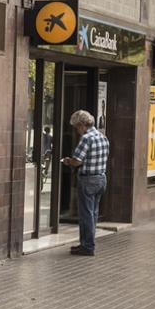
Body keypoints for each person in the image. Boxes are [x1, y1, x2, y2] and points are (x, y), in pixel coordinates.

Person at [60, 109, 108, 257]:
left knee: (86, 215)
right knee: (93, 213)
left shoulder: (87, 138)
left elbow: (77, 161)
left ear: (82, 125)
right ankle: (86, 243)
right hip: (101, 178)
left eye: (76, 127)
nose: (76, 130)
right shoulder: (102, 137)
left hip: (88, 180)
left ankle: (87, 246)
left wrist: (67, 161)